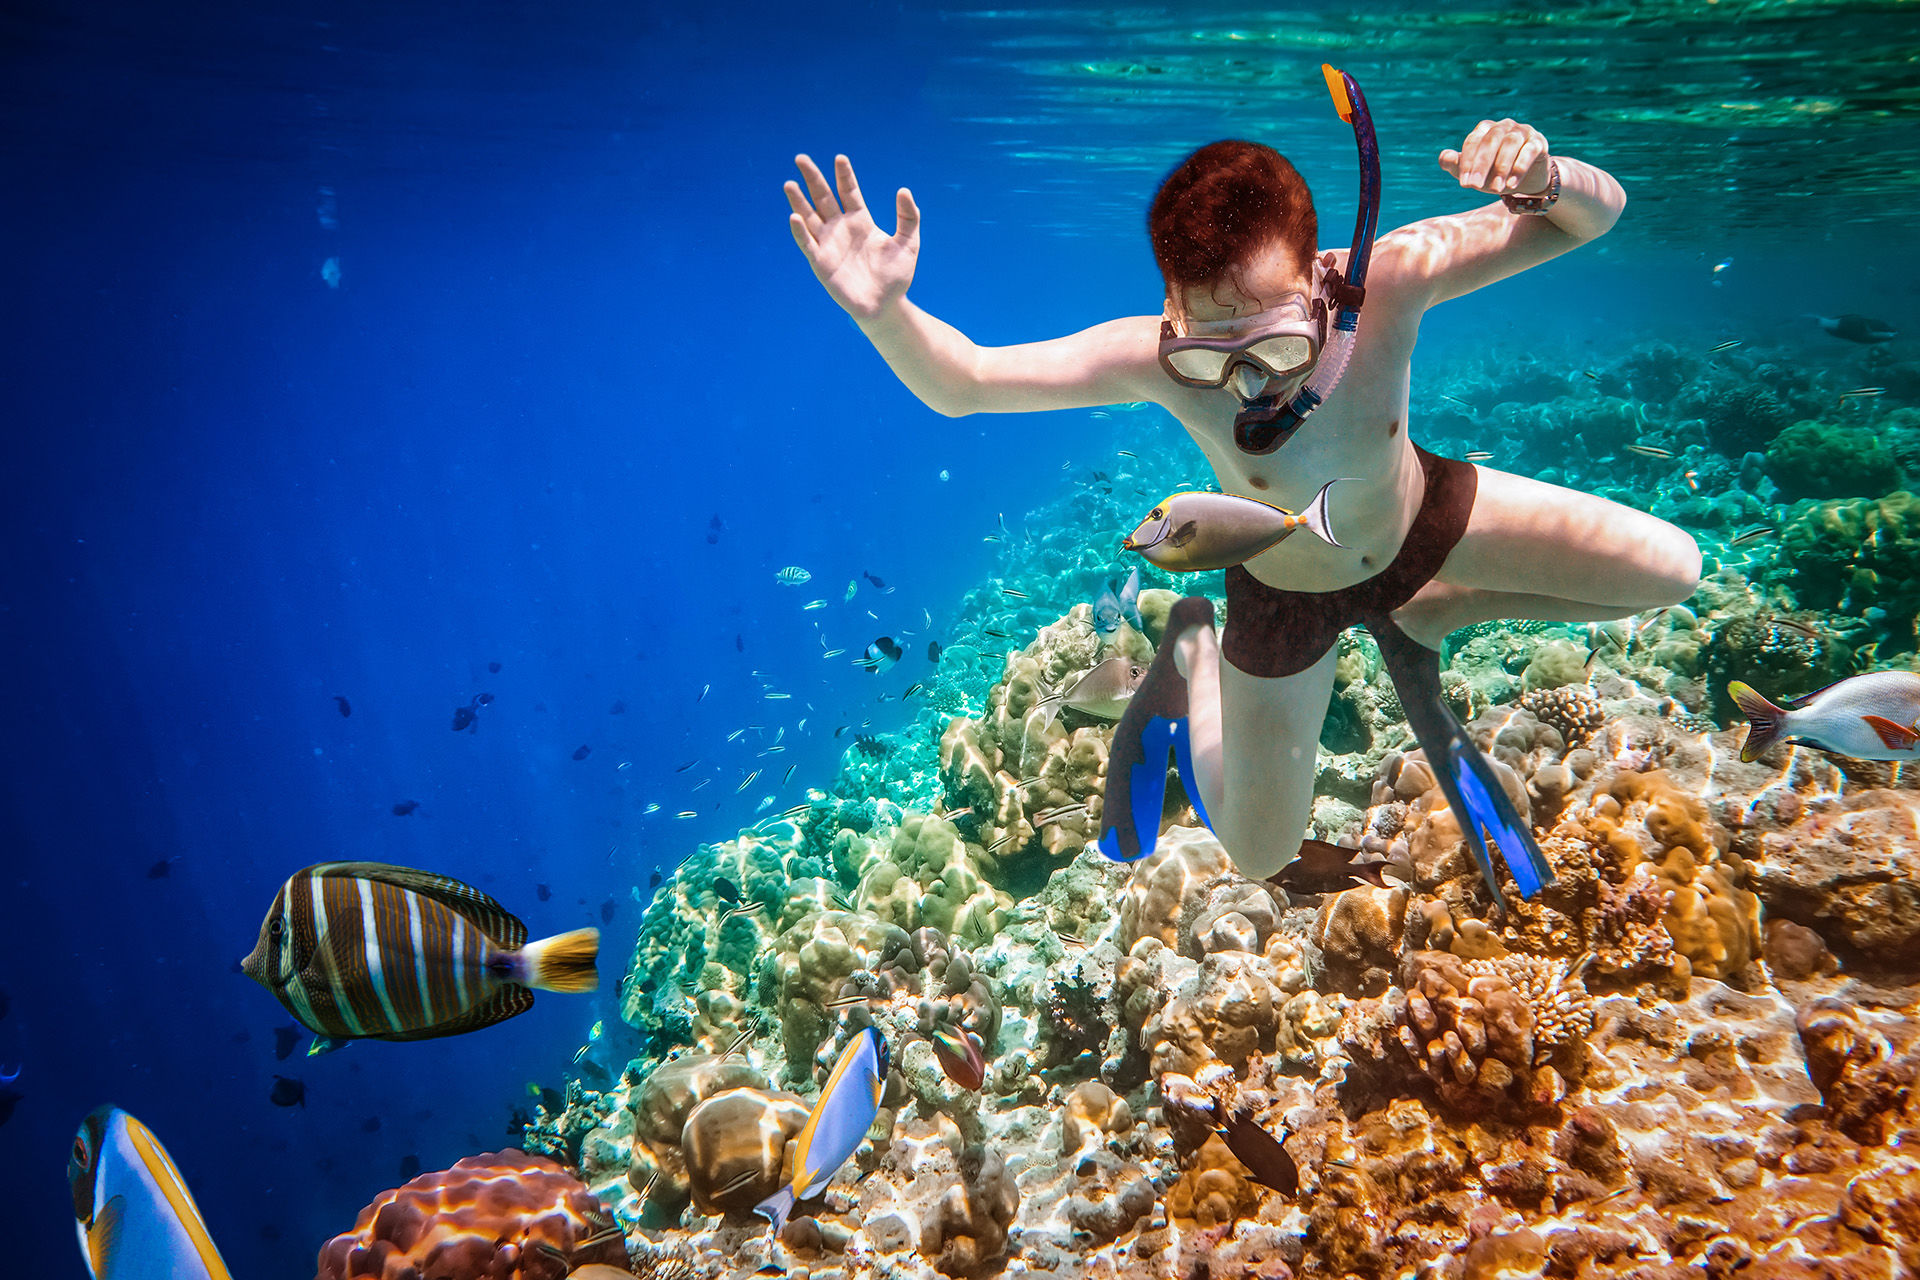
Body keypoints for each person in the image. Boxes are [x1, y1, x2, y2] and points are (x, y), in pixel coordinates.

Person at [783, 80, 1700, 889]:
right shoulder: (1147, 358)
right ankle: (1192, 651)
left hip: (1426, 520)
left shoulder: (1391, 280)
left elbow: (1595, 217)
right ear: (1171, 311)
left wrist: (1547, 178)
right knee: (1261, 855)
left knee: (1672, 570)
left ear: (1320, 279)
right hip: (1282, 588)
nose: (1255, 383)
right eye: (1211, 352)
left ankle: (1433, 606)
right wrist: (887, 314)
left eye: (1277, 346)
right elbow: (965, 383)